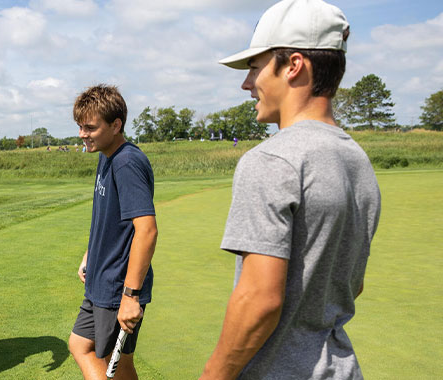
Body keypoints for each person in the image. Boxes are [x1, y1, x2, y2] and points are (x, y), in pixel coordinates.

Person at [200, 1, 381, 379]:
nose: (247, 84)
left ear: (294, 65)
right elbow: (352, 284)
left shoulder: (271, 159)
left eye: (254, 68)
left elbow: (260, 301)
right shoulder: (358, 161)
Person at [68, 84, 159, 380]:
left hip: (118, 286)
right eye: (80, 126)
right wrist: (89, 254)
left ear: (116, 124)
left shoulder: (127, 162)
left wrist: (131, 296)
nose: (83, 133)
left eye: (90, 127)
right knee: (81, 345)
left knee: (115, 365)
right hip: (100, 278)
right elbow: (107, 219)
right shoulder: (106, 156)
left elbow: (146, 230)